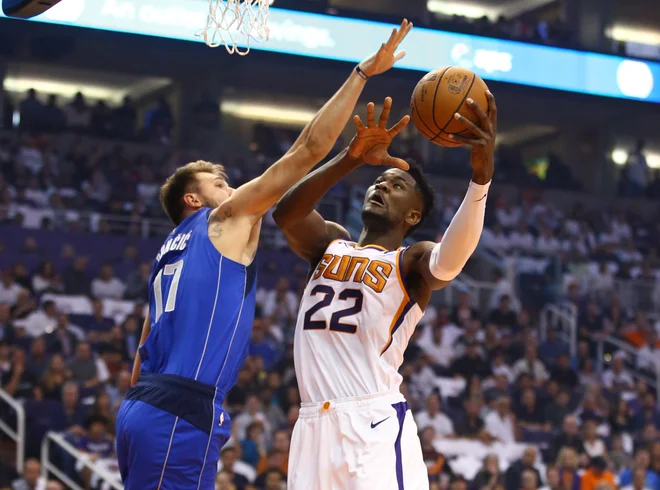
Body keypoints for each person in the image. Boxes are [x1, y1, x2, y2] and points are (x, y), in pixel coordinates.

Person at [114, 19, 414, 490]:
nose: (233, 190)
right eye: (219, 185)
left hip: (139, 408)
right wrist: (361, 73)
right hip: (179, 409)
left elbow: (142, 348)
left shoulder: (165, 254)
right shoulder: (222, 220)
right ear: (192, 200)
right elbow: (309, 148)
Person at [273, 80, 497, 487]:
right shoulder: (329, 243)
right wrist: (350, 157)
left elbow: (450, 261)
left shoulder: (409, 261)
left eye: (397, 186)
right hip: (311, 424)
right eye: (380, 181)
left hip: (371, 421)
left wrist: (479, 182)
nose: (381, 186)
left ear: (412, 216)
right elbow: (286, 214)